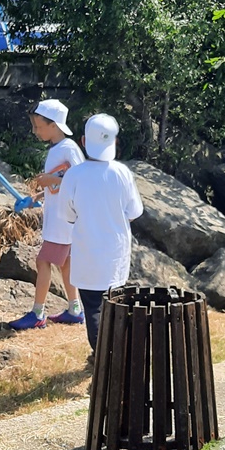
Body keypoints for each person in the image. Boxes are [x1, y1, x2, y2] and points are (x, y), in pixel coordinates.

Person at [60, 114, 143, 354]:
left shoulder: (74, 175)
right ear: (114, 142)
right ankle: (119, 353)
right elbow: (134, 211)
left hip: (86, 253)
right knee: (116, 306)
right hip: (115, 253)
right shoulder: (122, 173)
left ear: (84, 141)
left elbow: (67, 214)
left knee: (93, 307)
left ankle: (101, 356)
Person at [8, 99, 85, 330]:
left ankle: (37, 314)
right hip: (61, 219)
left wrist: (51, 180)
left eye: (38, 126)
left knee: (43, 261)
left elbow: (81, 179)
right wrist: (37, 198)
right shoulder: (58, 149)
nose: (35, 130)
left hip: (64, 221)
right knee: (66, 264)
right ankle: (75, 309)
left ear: (54, 125)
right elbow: (59, 185)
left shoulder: (69, 148)